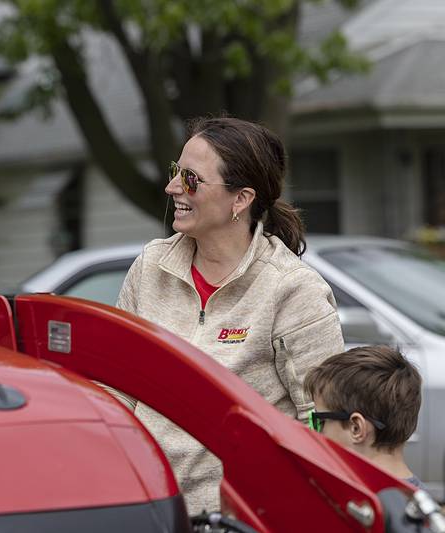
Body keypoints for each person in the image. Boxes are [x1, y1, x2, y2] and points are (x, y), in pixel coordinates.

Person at [116, 116, 345, 514]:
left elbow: (326, 423)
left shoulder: (292, 289)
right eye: (175, 172)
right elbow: (115, 387)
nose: (172, 189)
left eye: (191, 179)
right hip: (145, 506)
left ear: (241, 200)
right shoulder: (150, 267)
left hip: (241, 517)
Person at [304, 345, 424, 488]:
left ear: (356, 428)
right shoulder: (422, 501)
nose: (314, 432)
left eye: (319, 421)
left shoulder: (353, 505)